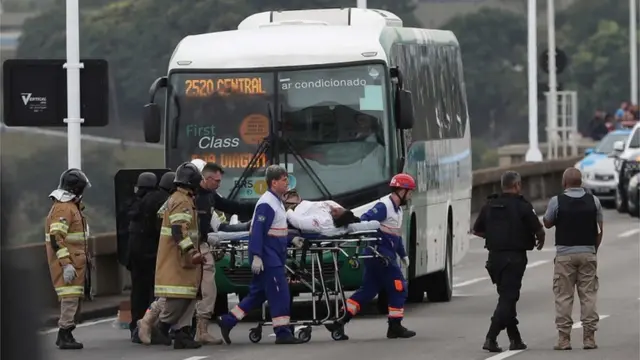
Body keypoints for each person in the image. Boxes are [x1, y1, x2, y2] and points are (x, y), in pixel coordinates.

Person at [217, 165, 305, 345]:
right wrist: (257, 255)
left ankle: (228, 321)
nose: (287, 183)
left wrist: (292, 239)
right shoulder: (267, 203)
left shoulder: (276, 201)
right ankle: (282, 333)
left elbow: (276, 230)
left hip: (273, 254)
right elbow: (257, 230)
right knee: (280, 292)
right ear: (274, 182)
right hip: (267, 257)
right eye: (284, 180)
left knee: (258, 294)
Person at [326, 173, 417, 341]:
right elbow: (364, 222)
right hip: (380, 256)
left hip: (382, 255)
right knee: (398, 287)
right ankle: (395, 326)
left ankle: (339, 320)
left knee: (367, 291)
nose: (410, 195)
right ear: (401, 190)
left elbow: (396, 236)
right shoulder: (384, 206)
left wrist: (403, 255)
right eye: (409, 191)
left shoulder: (397, 211)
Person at [472, 171, 546, 353]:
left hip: (494, 258)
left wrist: (495, 236)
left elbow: (477, 230)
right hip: (514, 258)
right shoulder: (523, 206)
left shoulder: (489, 205)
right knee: (508, 298)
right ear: (517, 185)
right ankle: (491, 337)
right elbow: (539, 230)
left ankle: (515, 339)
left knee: (507, 297)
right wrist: (539, 242)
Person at [138, 162, 204, 349]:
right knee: (178, 298)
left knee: (190, 296)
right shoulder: (181, 201)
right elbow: (178, 231)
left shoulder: (179, 198)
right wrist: (191, 251)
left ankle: (182, 334)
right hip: (180, 257)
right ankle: (162, 327)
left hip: (184, 258)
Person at [192, 161, 255, 344]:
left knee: (207, 289)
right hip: (191, 247)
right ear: (207, 178)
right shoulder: (194, 197)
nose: (219, 185)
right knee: (186, 291)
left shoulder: (210, 195)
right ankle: (150, 321)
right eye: (217, 181)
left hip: (202, 245)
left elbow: (231, 207)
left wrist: (259, 206)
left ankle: (201, 330)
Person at [543, 167, 603, 351]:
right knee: (588, 295)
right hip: (588, 253)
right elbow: (599, 229)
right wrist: (593, 250)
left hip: (564, 256)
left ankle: (564, 339)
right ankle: (589, 338)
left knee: (563, 296)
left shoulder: (557, 201)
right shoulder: (594, 201)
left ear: (564, 183)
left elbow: (547, 222)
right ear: (581, 182)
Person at [45, 168, 92, 350]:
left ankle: (66, 333)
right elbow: (57, 237)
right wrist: (66, 265)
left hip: (75, 262)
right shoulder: (64, 208)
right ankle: (64, 334)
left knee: (72, 299)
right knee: (70, 299)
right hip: (69, 263)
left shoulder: (69, 206)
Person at [128, 172, 175, 343]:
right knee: (155, 293)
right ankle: (151, 328)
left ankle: (135, 328)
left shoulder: (137, 202)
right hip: (153, 253)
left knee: (138, 292)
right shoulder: (162, 200)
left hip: (135, 254)